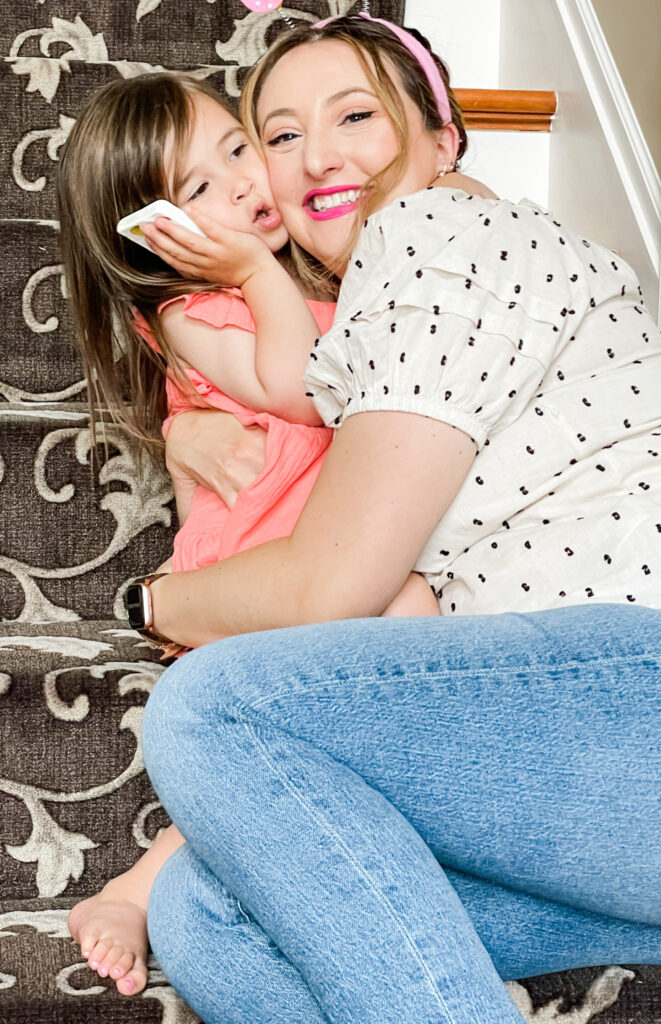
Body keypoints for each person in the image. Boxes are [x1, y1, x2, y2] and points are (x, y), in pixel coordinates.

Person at [134, 14, 661, 1024]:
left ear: (443, 138)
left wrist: (149, 600)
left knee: (210, 707)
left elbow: (324, 588)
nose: (316, 156)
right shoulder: (389, 310)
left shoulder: (436, 234)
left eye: (355, 115)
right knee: (208, 911)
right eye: (281, 135)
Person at [56, 69, 438, 998]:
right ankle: (139, 888)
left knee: (410, 624)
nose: (240, 184)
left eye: (237, 147)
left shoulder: (318, 265)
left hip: (336, 563)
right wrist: (253, 272)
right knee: (275, 736)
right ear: (150, 237)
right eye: (196, 189)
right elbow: (302, 383)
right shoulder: (192, 311)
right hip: (260, 581)